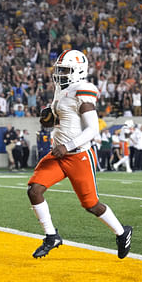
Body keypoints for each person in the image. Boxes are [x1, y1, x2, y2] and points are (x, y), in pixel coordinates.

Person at [27, 50, 132, 259]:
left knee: (91, 205)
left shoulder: (82, 91)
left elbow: (92, 129)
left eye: (65, 69)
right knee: (34, 190)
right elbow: (58, 121)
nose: (60, 73)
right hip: (58, 155)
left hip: (78, 156)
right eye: (60, 69)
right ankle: (51, 236)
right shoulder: (61, 90)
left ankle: (122, 232)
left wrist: (68, 146)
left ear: (78, 71)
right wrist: (48, 119)